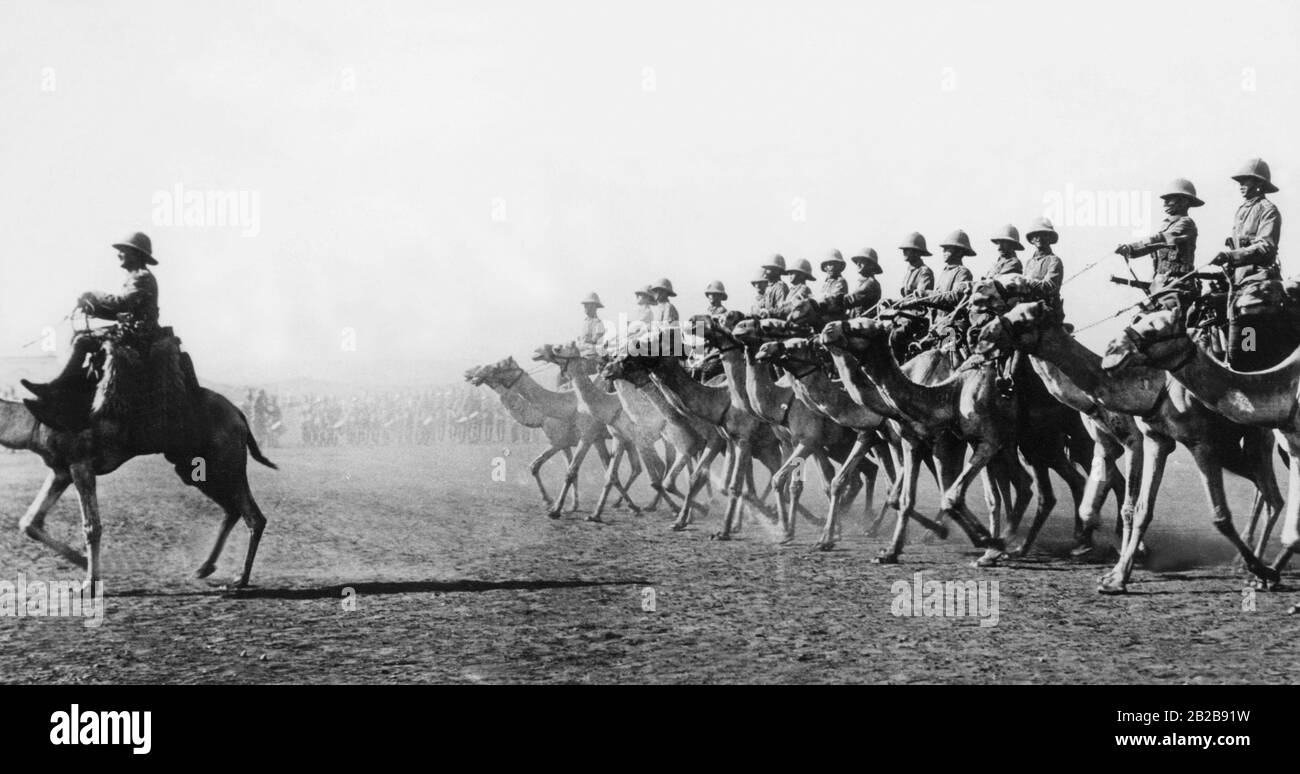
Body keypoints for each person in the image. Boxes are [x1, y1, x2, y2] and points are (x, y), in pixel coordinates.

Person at [22, 232, 162, 431]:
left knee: (82, 342)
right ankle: (64, 395)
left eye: (123, 251)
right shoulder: (136, 277)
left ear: (136, 254)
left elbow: (122, 304)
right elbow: (121, 310)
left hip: (140, 335)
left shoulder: (142, 277)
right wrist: (93, 308)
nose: (119, 254)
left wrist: (94, 296)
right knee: (81, 339)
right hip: (134, 332)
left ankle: (56, 389)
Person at [1211, 158, 1286, 370]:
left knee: (1247, 339)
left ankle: (1248, 370)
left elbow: (1266, 247)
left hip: (1257, 286)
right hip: (1239, 285)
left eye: (1246, 181)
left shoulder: (1268, 210)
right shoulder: (1242, 211)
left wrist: (1230, 256)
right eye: (1241, 182)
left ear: (1259, 184)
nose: (1241, 186)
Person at [1116, 178, 1201, 295]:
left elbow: (1162, 239)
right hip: (1161, 284)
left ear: (1184, 201)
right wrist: (1131, 252)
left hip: (1179, 286)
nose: (1165, 203)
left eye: (1170, 199)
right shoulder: (1167, 224)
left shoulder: (1186, 223)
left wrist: (1132, 248)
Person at [1023, 217, 1065, 299]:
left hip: (1047, 308)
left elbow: (1049, 286)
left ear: (1049, 238)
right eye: (1035, 235)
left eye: (1043, 234)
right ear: (1032, 239)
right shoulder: (1029, 262)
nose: (1039, 238)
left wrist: (1026, 282)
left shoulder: (1054, 260)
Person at [844, 248, 883, 317]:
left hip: (867, 322)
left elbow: (851, 299)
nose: (858, 264)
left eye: (862, 261)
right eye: (857, 262)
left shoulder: (871, 284)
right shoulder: (861, 282)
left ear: (871, 265)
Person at [576, 292, 607, 358]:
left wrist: (589, 340)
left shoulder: (598, 323)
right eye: (585, 305)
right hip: (582, 347)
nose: (585, 307)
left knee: (592, 349)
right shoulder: (585, 321)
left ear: (594, 306)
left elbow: (596, 341)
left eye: (587, 305)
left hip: (591, 350)